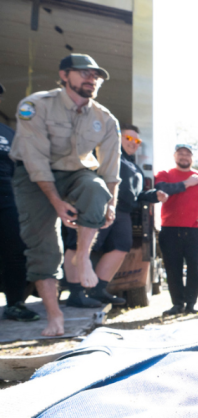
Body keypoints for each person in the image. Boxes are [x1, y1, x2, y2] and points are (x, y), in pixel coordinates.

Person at [9, 54, 121, 336]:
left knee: (97, 190)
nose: (91, 79)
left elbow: (110, 170)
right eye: (83, 73)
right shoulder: (35, 106)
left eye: (95, 75)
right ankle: (54, 315)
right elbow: (35, 161)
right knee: (43, 246)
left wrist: (111, 205)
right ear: (64, 75)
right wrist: (57, 203)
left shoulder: (105, 119)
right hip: (33, 175)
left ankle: (82, 257)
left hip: (75, 173)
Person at [60, 125, 169, 306]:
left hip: (123, 211)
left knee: (121, 247)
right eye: (129, 139)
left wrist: (154, 195)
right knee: (79, 245)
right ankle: (75, 293)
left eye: (137, 141)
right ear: (118, 137)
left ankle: (98, 290)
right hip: (98, 204)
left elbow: (138, 194)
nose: (134, 143)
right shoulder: (103, 154)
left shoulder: (134, 167)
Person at [156, 144, 198, 316]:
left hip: (193, 230)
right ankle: (177, 304)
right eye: (180, 154)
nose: (184, 157)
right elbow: (160, 190)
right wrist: (186, 183)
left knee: (193, 267)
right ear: (174, 156)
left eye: (187, 154)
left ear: (192, 158)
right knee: (173, 268)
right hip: (170, 229)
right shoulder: (166, 175)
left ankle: (191, 304)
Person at [0, 83, 40, 322]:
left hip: (8, 198)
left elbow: (23, 167)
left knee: (15, 251)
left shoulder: (8, 133)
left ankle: (15, 303)